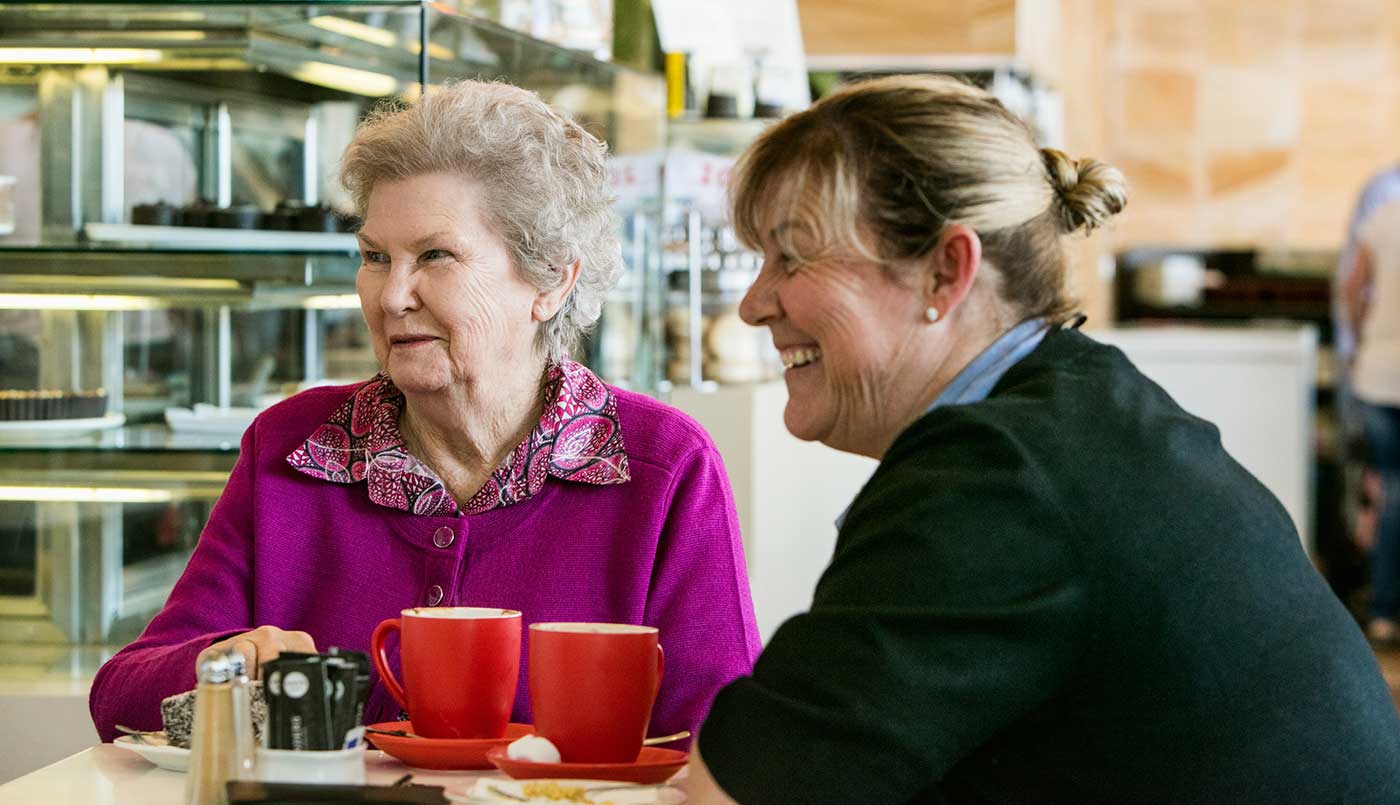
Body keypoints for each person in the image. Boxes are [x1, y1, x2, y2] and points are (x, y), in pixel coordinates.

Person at [680, 75, 1400, 803]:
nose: (752, 304)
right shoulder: (1074, 409)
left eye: (793, 257)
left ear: (945, 270)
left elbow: (747, 789)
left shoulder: (997, 471)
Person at [89, 80, 761, 743]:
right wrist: (230, 662)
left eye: (435, 256)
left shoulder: (663, 468)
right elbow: (122, 695)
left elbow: (730, 746)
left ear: (552, 279)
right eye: (376, 258)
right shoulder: (291, 450)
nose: (392, 296)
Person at [1342, 192, 1400, 644]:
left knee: (1389, 489)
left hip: (1377, 374)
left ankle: (1383, 611)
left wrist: (1364, 338)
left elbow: (1351, 285)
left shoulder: (1385, 214)